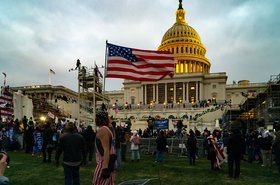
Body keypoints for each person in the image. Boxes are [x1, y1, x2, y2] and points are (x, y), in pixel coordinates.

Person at [93, 110, 116, 185]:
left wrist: (105, 168)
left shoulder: (103, 130)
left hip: (103, 163)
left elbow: (106, 150)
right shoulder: (108, 128)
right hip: (109, 162)